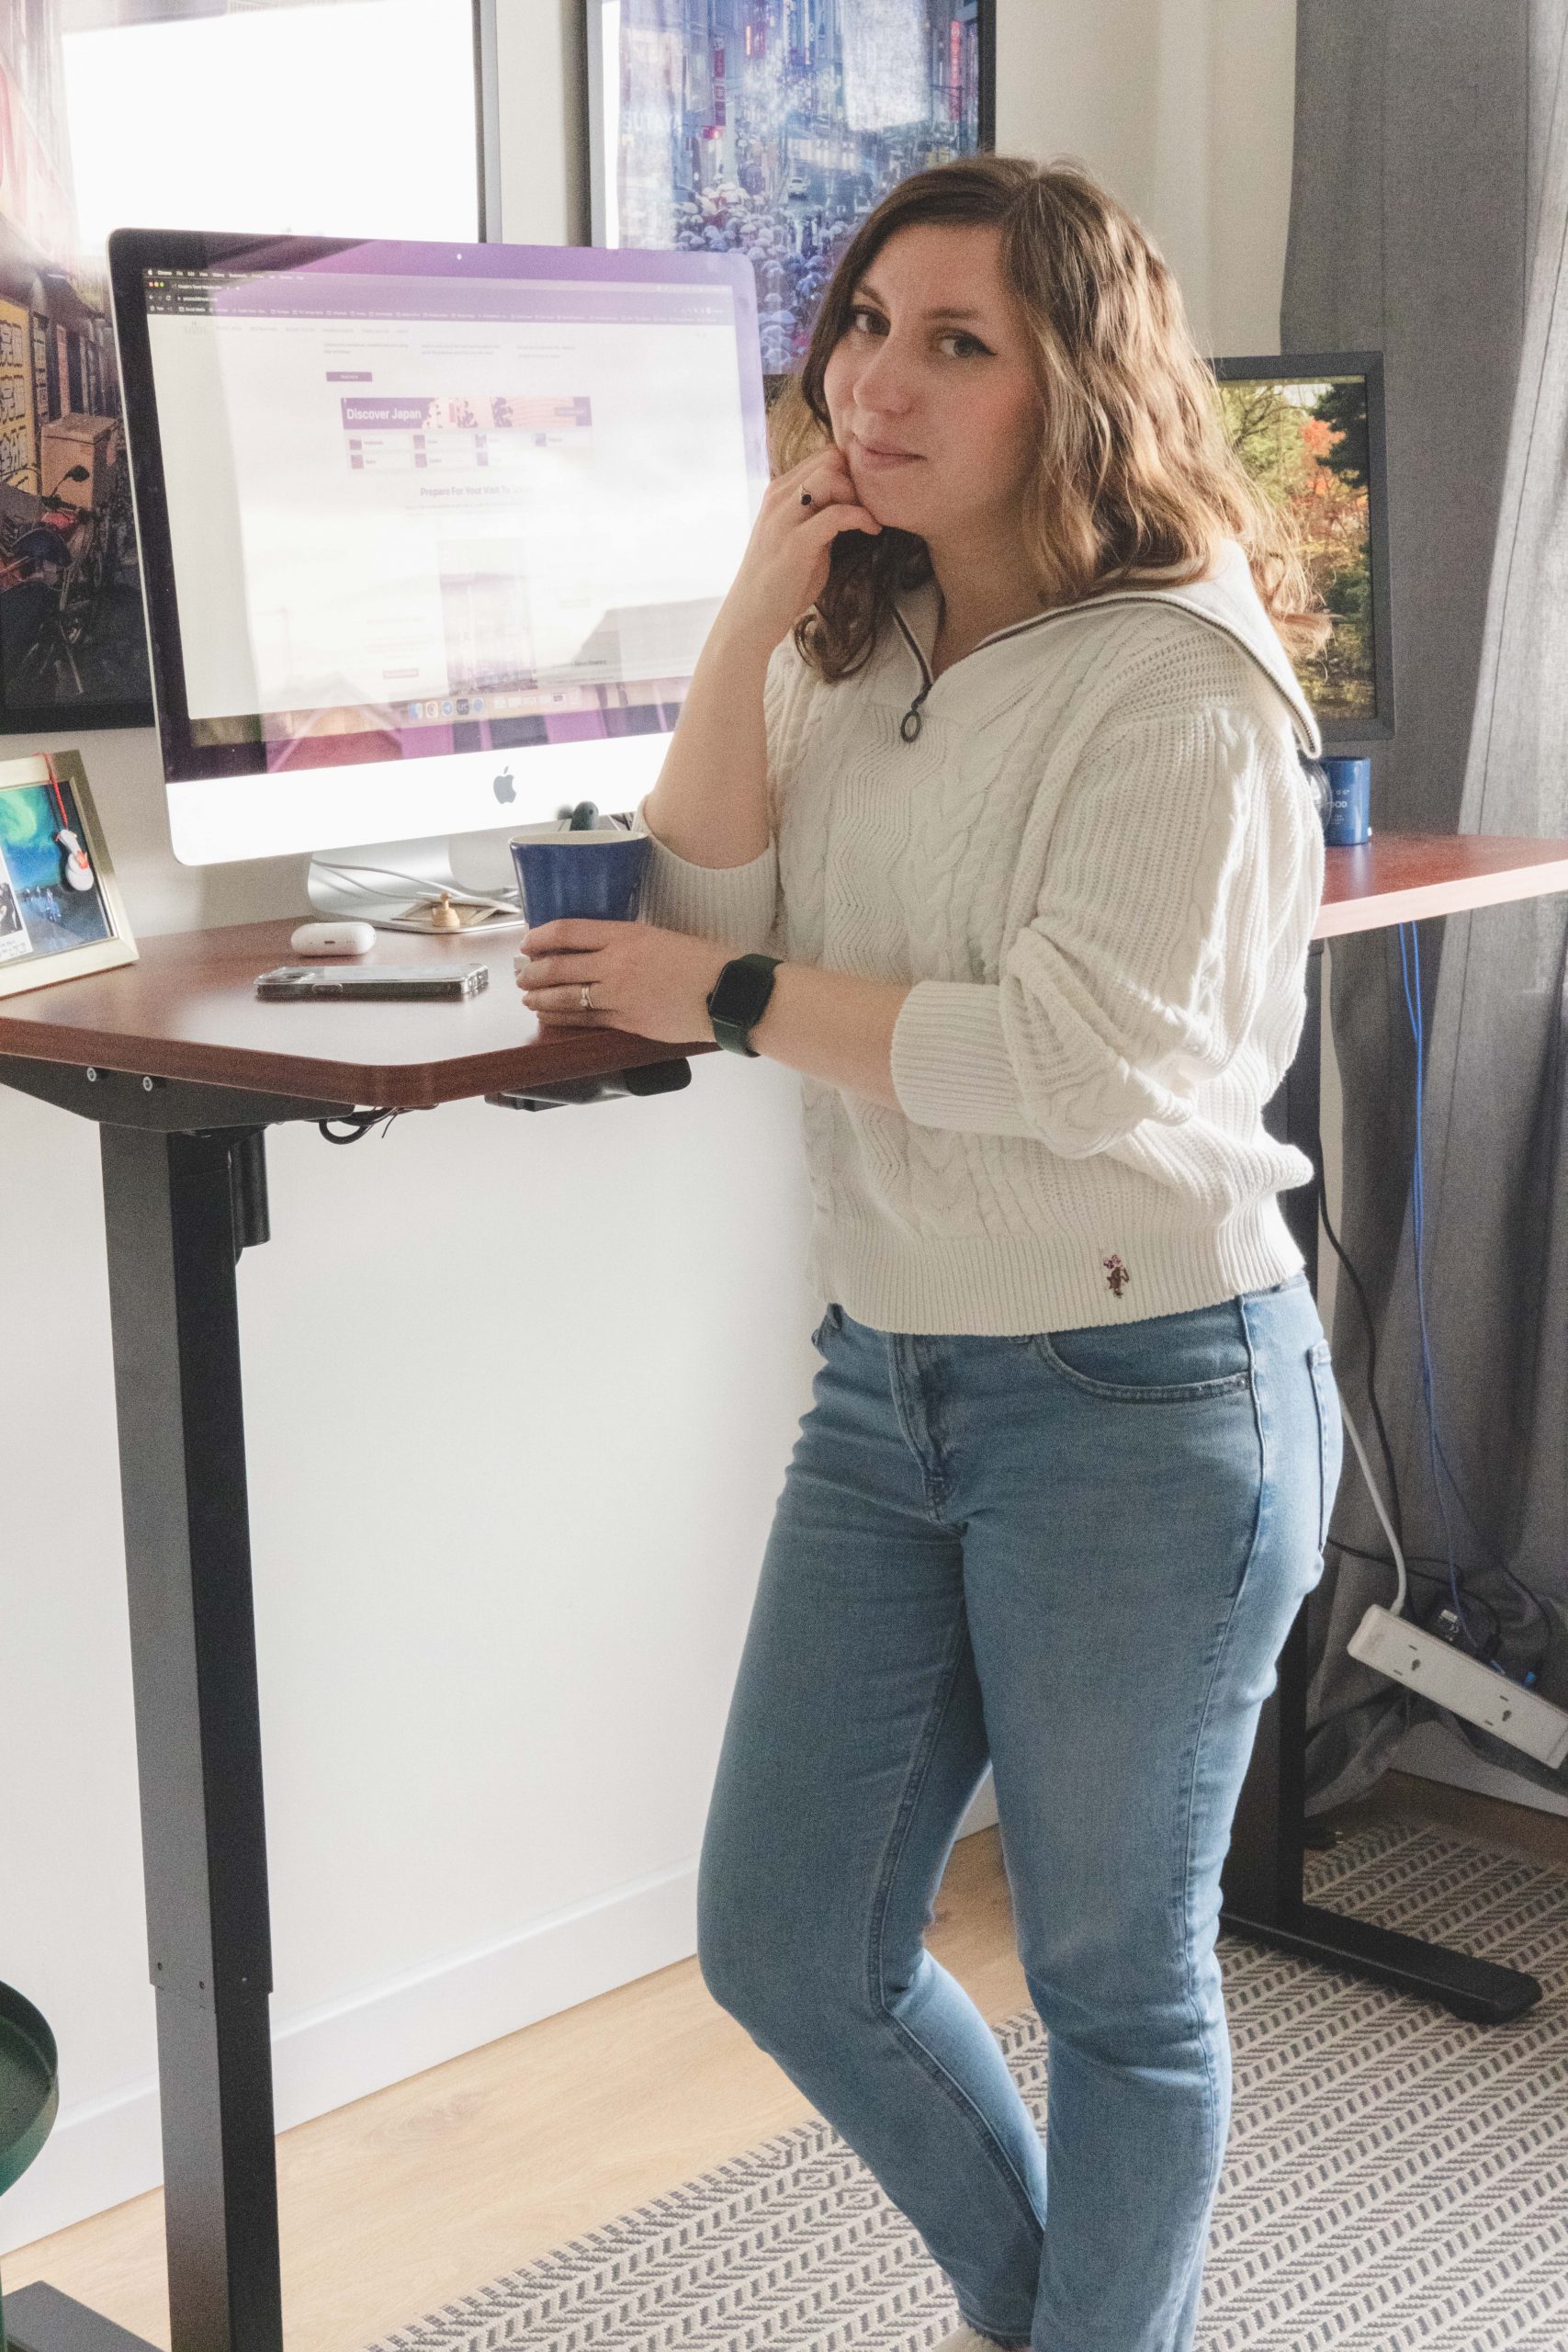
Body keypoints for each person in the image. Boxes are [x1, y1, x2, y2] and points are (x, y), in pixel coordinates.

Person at [514, 154, 1345, 2352]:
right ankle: (1057, 2316)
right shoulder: (859, 627)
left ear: (1073, 387)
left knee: (1110, 1977)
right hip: (889, 1373)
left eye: (953, 341)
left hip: (1146, 1390)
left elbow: (1074, 1056)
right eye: (864, 321)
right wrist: (739, 606)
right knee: (787, 1936)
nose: (876, 378)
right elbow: (695, 916)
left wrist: (737, 1002)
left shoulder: (1174, 677)